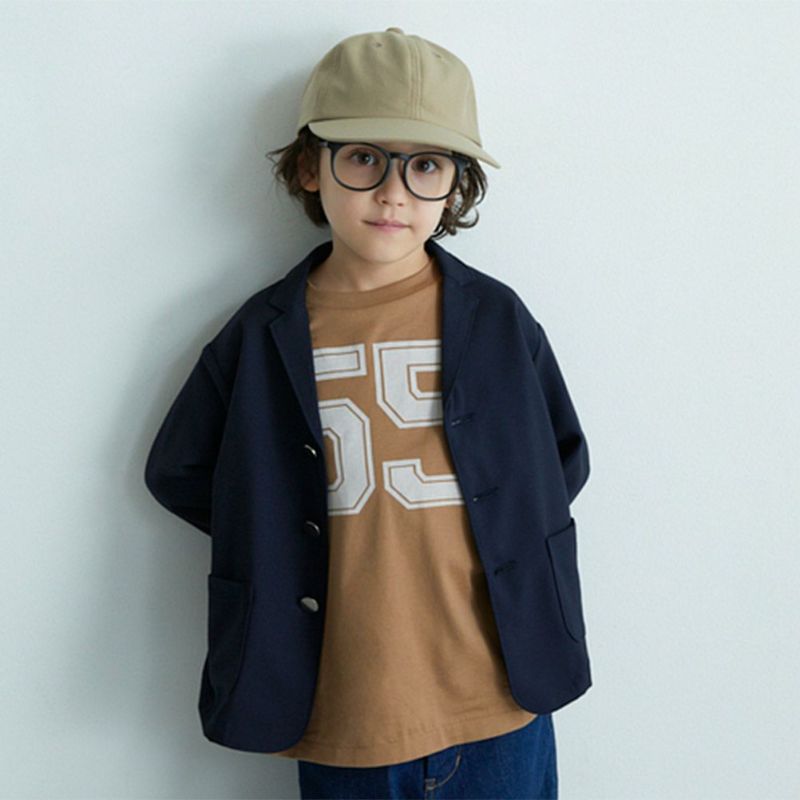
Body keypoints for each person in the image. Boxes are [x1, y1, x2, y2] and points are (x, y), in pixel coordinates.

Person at [144, 26, 591, 800]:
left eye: (425, 165)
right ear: (309, 167)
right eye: (363, 158)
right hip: (346, 710)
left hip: (499, 698)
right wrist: (279, 535)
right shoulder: (262, 334)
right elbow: (181, 471)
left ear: (455, 186)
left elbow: (560, 457)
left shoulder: (495, 319)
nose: (393, 193)